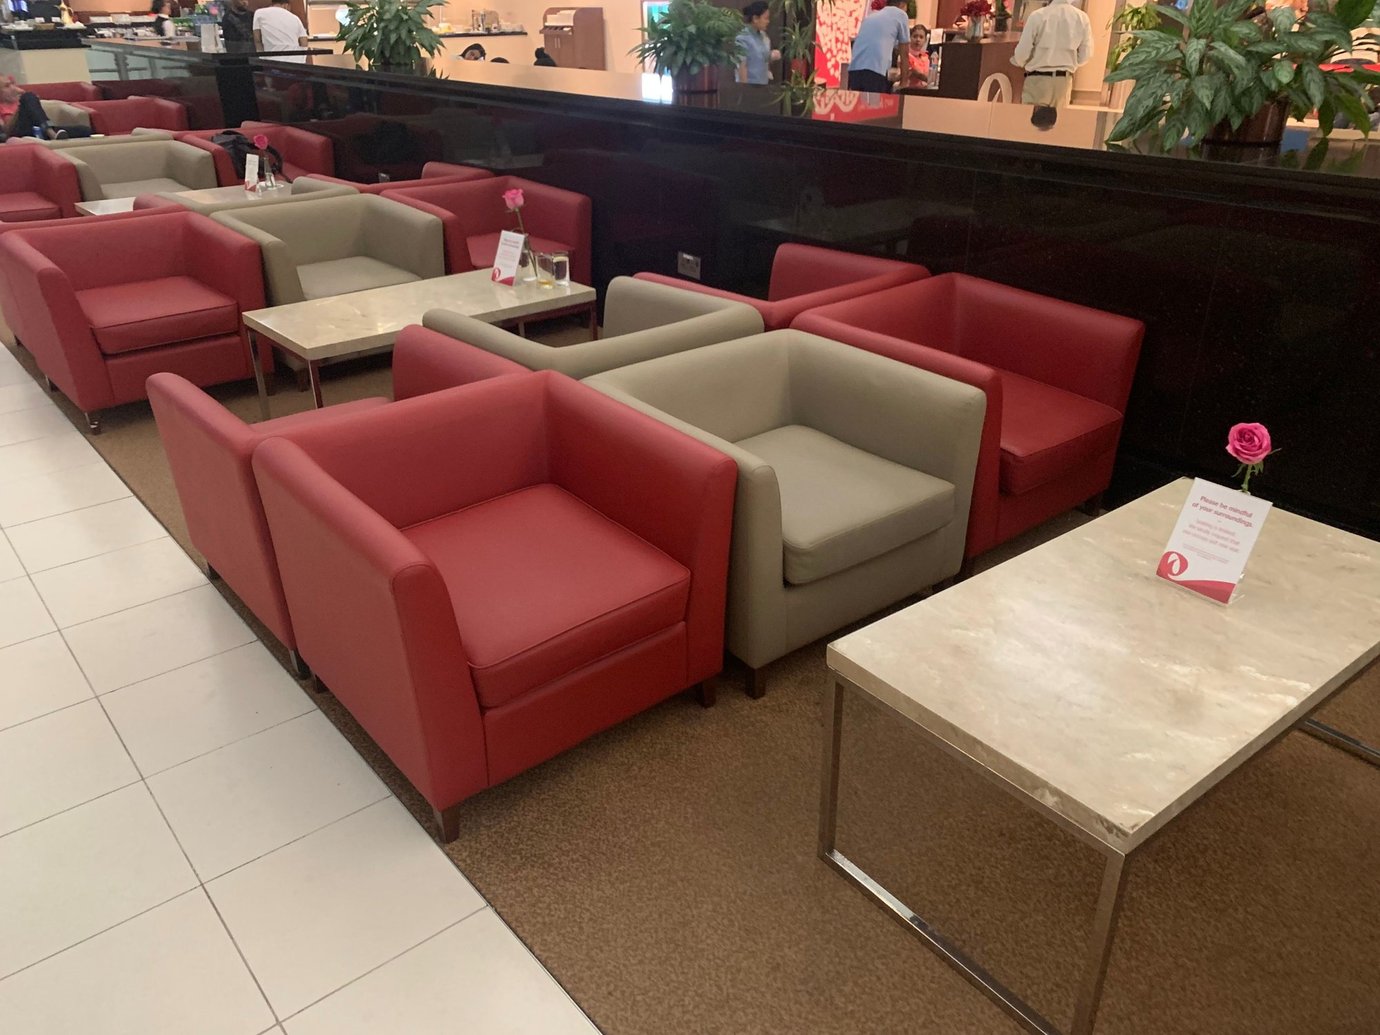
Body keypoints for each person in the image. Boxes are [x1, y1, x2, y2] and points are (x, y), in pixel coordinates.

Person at [1010, 0, 1092, 108]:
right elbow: (1086, 54)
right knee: (1060, 122)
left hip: (1037, 79)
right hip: (1064, 81)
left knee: (1031, 122)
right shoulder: (1082, 18)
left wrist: (1020, 62)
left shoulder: (1037, 16)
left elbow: (1022, 53)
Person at [848, 0, 909, 94]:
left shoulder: (871, 17)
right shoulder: (901, 14)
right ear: (902, 4)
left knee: (860, 107)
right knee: (874, 107)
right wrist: (904, 84)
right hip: (874, 72)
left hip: (855, 70)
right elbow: (904, 53)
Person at [0, 77, 91, 140]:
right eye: (7, 86)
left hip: (37, 129)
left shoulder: (19, 101)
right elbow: (5, 130)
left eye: (12, 84)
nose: (12, 88)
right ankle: (50, 132)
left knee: (85, 130)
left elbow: (31, 101)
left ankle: (49, 132)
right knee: (28, 96)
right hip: (17, 134)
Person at [735, 1, 777, 85]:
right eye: (765, 18)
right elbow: (742, 66)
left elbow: (763, 59)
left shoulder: (764, 36)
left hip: (763, 84)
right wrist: (744, 89)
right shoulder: (742, 38)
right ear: (755, 18)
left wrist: (771, 56)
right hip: (749, 86)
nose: (768, 21)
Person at [905, 22, 931, 87]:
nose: (918, 40)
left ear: (925, 40)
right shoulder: (904, 56)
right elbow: (919, 75)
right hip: (908, 91)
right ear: (910, 38)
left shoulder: (926, 57)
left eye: (921, 37)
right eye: (915, 36)